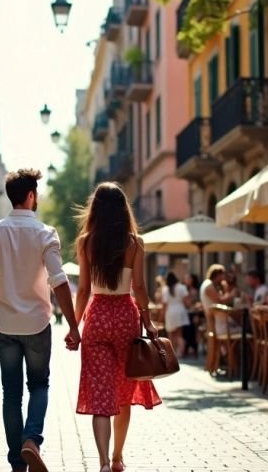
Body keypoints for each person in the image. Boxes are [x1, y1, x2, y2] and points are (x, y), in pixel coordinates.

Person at [0, 168, 81, 472]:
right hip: (37, 324)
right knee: (39, 385)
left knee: (11, 394)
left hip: (4, 324)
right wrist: (73, 325)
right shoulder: (46, 233)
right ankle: (32, 439)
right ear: (31, 196)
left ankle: (17, 463)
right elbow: (58, 280)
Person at [73, 182, 161, 472]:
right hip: (125, 315)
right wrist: (148, 320)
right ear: (124, 210)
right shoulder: (134, 242)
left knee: (101, 395)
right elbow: (139, 287)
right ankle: (117, 458)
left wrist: (74, 326)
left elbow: (83, 290)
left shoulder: (86, 242)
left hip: (97, 316)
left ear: (95, 209)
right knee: (123, 392)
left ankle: (100, 463)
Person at [161, 272, 190, 358]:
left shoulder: (165, 289)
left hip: (170, 312)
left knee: (171, 335)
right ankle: (181, 352)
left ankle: (171, 353)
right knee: (179, 334)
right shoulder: (182, 287)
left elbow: (164, 305)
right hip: (180, 311)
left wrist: (161, 316)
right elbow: (186, 301)